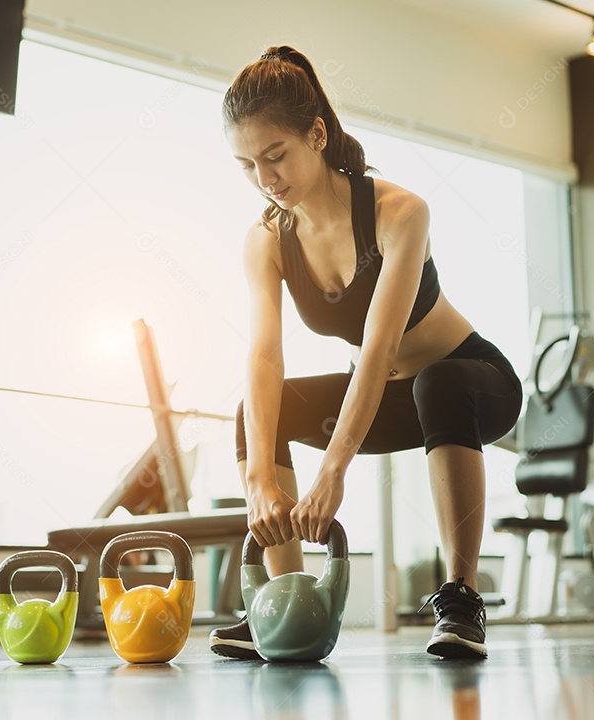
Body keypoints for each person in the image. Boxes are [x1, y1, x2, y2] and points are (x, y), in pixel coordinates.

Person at [209, 45, 522, 661]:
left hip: (474, 384)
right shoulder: (267, 239)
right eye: (247, 165)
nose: (266, 179)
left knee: (437, 381)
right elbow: (264, 359)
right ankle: (286, 600)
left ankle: (461, 597)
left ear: (317, 134)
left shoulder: (398, 212)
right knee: (260, 410)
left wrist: (331, 471)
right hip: (383, 400)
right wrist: (257, 484)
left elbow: (378, 348)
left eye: (276, 155)